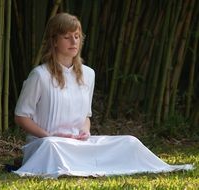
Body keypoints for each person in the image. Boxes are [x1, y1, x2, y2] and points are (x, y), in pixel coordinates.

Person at [13, 13, 193, 178]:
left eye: (77, 36)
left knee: (130, 142)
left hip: (79, 144)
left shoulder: (88, 74)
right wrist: (49, 135)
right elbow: (21, 116)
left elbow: (86, 116)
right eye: (67, 37)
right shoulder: (39, 75)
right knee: (53, 147)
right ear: (54, 41)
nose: (73, 42)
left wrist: (85, 130)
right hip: (48, 144)